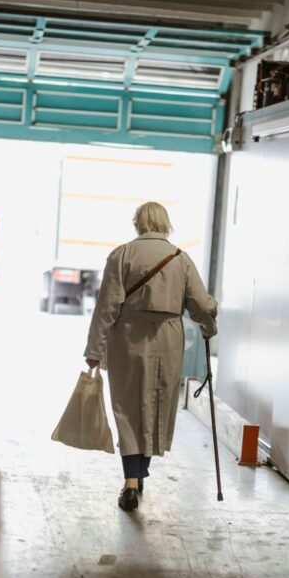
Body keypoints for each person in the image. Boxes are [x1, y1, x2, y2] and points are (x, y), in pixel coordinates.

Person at [84, 201, 218, 512]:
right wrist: (209, 325)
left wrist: (94, 350)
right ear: (166, 225)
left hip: (127, 337)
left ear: (138, 223)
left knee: (128, 407)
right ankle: (138, 471)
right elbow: (200, 303)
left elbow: (106, 307)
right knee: (157, 402)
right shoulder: (180, 259)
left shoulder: (122, 255)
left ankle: (132, 480)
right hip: (168, 337)